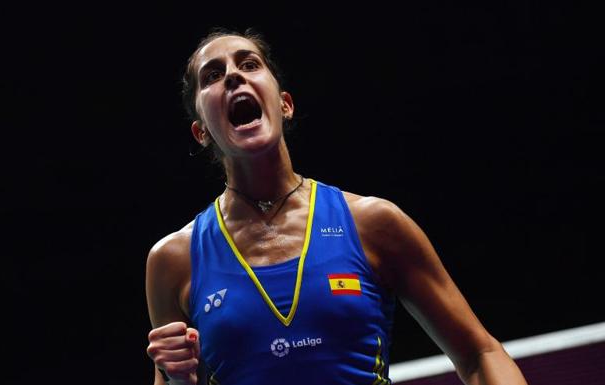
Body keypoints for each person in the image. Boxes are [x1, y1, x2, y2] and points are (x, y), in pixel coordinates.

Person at [145, 28, 528, 385]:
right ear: (202, 133)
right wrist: (178, 380)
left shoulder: (373, 223)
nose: (233, 76)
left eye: (249, 64)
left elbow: (480, 353)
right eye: (212, 75)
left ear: (285, 104)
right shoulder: (173, 260)